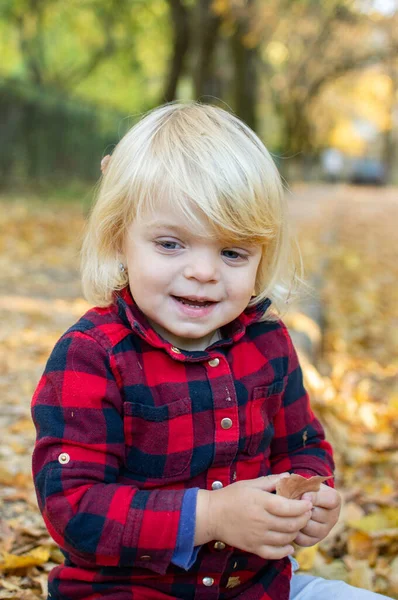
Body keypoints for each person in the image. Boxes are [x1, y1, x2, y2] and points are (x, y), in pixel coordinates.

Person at [31, 102, 391, 600]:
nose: (204, 271)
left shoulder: (269, 344)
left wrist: (311, 493)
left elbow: (302, 444)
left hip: (255, 588)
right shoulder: (94, 355)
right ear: (119, 239)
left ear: (261, 256)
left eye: (232, 252)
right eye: (171, 244)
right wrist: (211, 516)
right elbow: (73, 506)